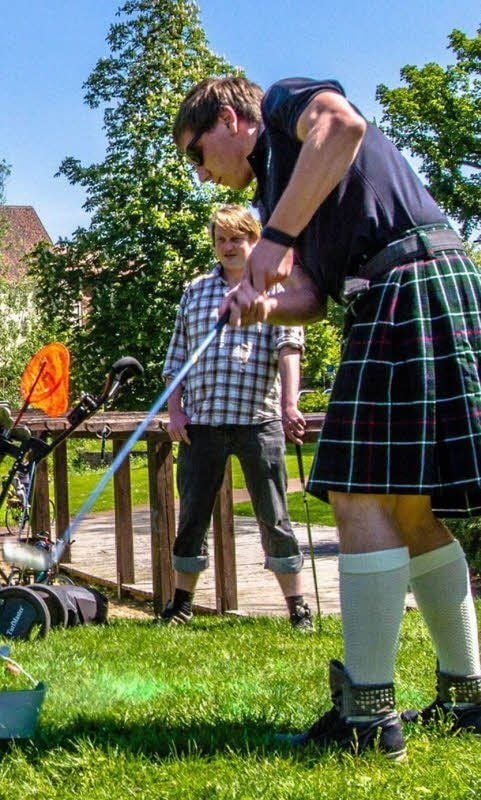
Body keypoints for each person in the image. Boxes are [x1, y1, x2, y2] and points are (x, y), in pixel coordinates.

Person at [173, 76, 481, 759]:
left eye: (198, 154)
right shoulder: (276, 190)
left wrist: (276, 236)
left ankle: (370, 718)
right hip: (396, 290)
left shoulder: (286, 107)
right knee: (406, 510)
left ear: (229, 118)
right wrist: (261, 306)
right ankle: (467, 696)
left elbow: (342, 129)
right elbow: (311, 295)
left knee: (357, 496)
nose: (201, 174)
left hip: (408, 281)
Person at [158, 204, 313, 632]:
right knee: (192, 516)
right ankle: (181, 603)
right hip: (202, 423)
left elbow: (289, 349)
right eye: (220, 239)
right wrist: (175, 411)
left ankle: (297, 607)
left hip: (258, 421)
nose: (228, 247)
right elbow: (177, 359)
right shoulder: (195, 291)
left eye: (236, 239)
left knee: (274, 515)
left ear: (253, 242)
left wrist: (289, 405)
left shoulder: (273, 290)